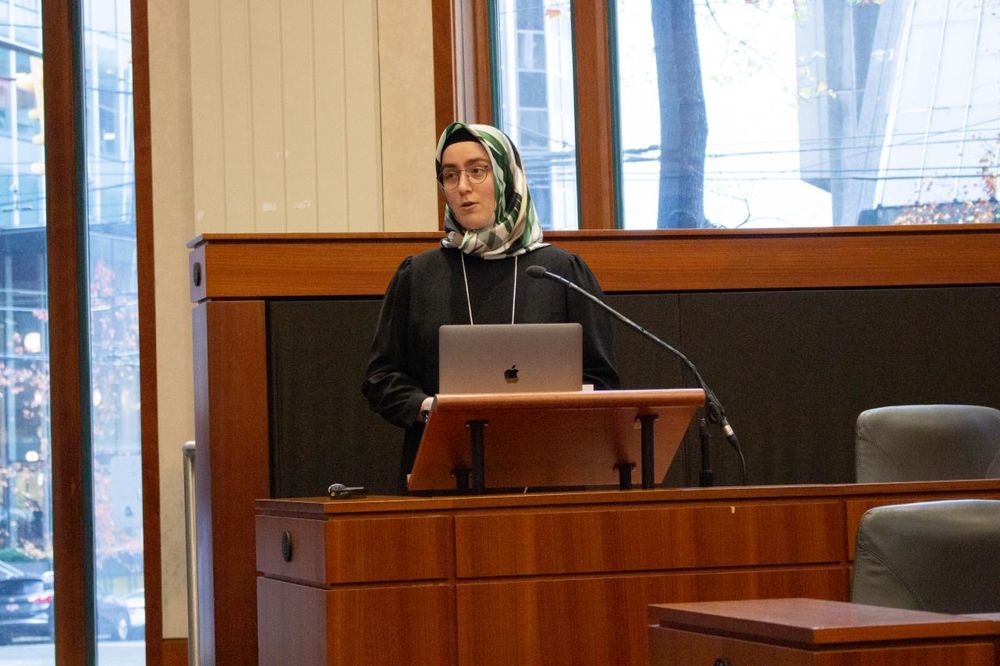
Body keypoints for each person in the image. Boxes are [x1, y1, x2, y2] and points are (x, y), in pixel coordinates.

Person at [362, 122, 620, 492]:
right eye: (450, 175)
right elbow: (381, 378)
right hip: (442, 478)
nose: (463, 187)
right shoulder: (418, 276)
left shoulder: (561, 273)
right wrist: (427, 409)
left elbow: (602, 381)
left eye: (477, 170)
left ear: (505, 176)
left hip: (548, 476)